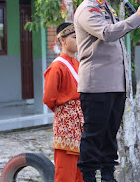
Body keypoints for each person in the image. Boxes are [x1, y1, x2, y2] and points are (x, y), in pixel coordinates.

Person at [74, 0, 140, 182]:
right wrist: (137, 18)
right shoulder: (87, 9)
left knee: (110, 136)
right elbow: (108, 34)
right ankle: (89, 176)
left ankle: (108, 175)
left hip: (115, 84)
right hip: (97, 85)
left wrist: (135, 20)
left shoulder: (105, 7)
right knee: (94, 134)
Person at [43, 23, 84, 182]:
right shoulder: (57, 67)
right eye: (74, 37)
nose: (78, 41)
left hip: (80, 125)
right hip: (66, 125)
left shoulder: (78, 63)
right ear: (62, 40)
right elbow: (48, 99)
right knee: (65, 173)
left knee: (80, 173)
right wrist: (66, 113)